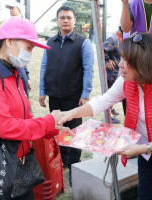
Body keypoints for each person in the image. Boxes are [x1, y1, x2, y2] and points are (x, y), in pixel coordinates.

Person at [58, 33, 152, 200]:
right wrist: (71, 113)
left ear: (143, 62)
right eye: (121, 59)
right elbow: (103, 101)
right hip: (147, 152)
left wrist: (143, 148)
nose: (120, 65)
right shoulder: (127, 80)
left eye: (126, 61)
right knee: (144, 194)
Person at [0, 17, 67, 200]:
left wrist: (54, 127)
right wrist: (47, 122)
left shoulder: (13, 72)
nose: (30, 54)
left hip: (19, 163)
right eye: (29, 47)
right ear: (9, 41)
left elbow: (25, 117)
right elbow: (5, 126)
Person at [39, 5, 94, 186]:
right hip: (54, 95)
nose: (65, 20)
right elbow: (44, 67)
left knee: (74, 132)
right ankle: (60, 163)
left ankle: (74, 165)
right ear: (57, 20)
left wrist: (85, 94)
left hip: (73, 96)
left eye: (69, 18)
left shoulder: (82, 42)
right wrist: (42, 91)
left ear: (74, 20)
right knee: (57, 129)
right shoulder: (50, 43)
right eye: (62, 17)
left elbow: (88, 69)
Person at [5, 0, 32, 95]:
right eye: (10, 9)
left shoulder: (26, 25)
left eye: (13, 8)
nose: (11, 10)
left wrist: (27, 77)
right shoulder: (6, 25)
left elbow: (23, 53)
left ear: (19, 10)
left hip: (19, 67)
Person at [103, 26, 124, 124]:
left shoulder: (121, 39)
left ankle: (111, 109)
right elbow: (102, 48)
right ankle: (109, 116)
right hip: (111, 73)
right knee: (109, 95)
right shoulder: (114, 38)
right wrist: (107, 60)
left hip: (116, 73)